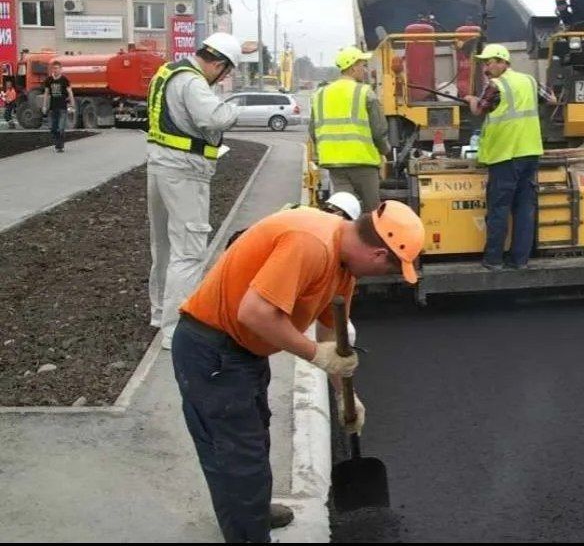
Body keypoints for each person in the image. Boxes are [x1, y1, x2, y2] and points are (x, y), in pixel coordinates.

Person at [172, 201, 424, 543]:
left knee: (254, 441)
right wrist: (314, 356)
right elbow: (255, 313)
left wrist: (345, 396)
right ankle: (248, 532)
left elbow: (331, 335)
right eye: (390, 269)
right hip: (213, 351)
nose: (384, 276)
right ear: (379, 254)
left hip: (244, 353)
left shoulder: (344, 264)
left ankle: (252, 510)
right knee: (235, 454)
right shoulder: (311, 244)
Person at [146, 32, 242, 350]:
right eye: (225, 72)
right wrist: (234, 110)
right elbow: (213, 118)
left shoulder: (168, 72)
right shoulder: (194, 81)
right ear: (218, 64)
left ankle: (160, 314)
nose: (222, 78)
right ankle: (177, 331)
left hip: (159, 166)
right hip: (185, 171)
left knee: (163, 247)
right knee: (189, 250)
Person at [463, 44, 555, 270]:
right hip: (530, 152)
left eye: (491, 62)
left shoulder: (496, 85)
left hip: (505, 156)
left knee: (499, 208)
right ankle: (519, 260)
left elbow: (479, 110)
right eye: (485, 62)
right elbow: (551, 100)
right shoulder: (530, 81)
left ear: (504, 62)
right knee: (524, 208)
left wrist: (470, 99)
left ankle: (494, 260)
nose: (487, 66)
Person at [310, 46, 390, 213]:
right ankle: (369, 239)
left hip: (334, 163)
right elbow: (378, 130)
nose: (365, 69)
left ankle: (345, 238)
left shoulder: (320, 94)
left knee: (344, 211)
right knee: (372, 214)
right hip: (363, 162)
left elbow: (313, 130)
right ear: (353, 67)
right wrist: (385, 151)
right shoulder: (365, 92)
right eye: (363, 64)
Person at [225, 191, 362, 249]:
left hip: (239, 244)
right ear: (338, 214)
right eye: (346, 222)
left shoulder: (302, 211)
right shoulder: (317, 229)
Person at [41, 61, 75, 151]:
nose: (55, 70)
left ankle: (60, 146)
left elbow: (70, 93)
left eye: (57, 68)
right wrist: (44, 106)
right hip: (53, 107)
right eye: (54, 68)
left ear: (61, 69)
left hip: (62, 107)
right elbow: (46, 93)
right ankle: (57, 142)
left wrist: (72, 105)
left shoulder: (64, 80)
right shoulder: (49, 80)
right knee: (53, 128)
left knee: (61, 127)